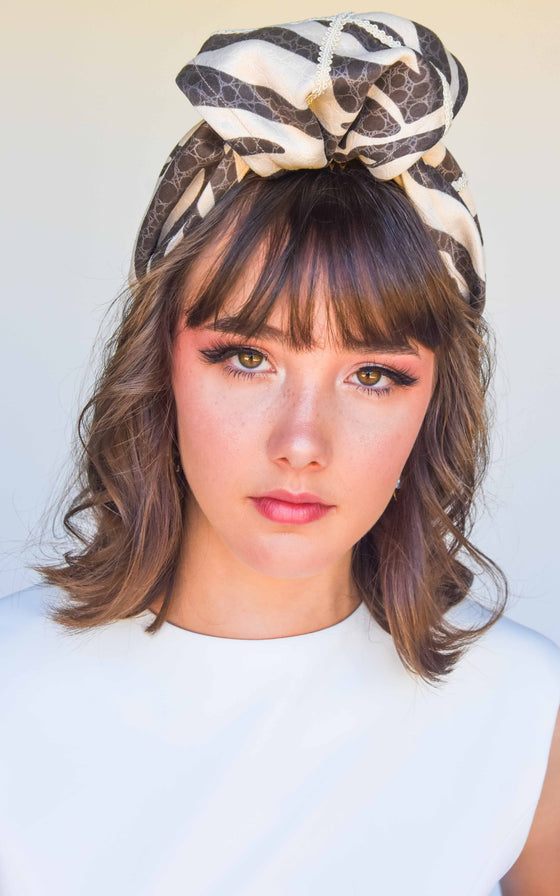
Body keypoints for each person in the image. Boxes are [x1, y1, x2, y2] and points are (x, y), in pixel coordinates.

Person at [1, 11, 558, 895]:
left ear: (433, 405)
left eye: (373, 375)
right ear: (160, 365)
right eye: (246, 358)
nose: (302, 443)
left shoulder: (527, 714)